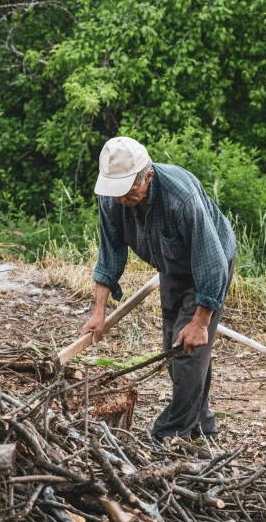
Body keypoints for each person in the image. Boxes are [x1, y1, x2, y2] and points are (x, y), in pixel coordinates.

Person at [81, 136, 236, 441]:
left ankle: (170, 433)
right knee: (173, 346)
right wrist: (98, 312)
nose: (121, 197)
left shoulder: (181, 198)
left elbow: (212, 263)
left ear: (148, 175)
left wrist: (201, 322)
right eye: (116, 190)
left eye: (129, 190)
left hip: (209, 263)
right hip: (172, 265)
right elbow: (109, 255)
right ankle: (203, 426)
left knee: (187, 350)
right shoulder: (112, 197)